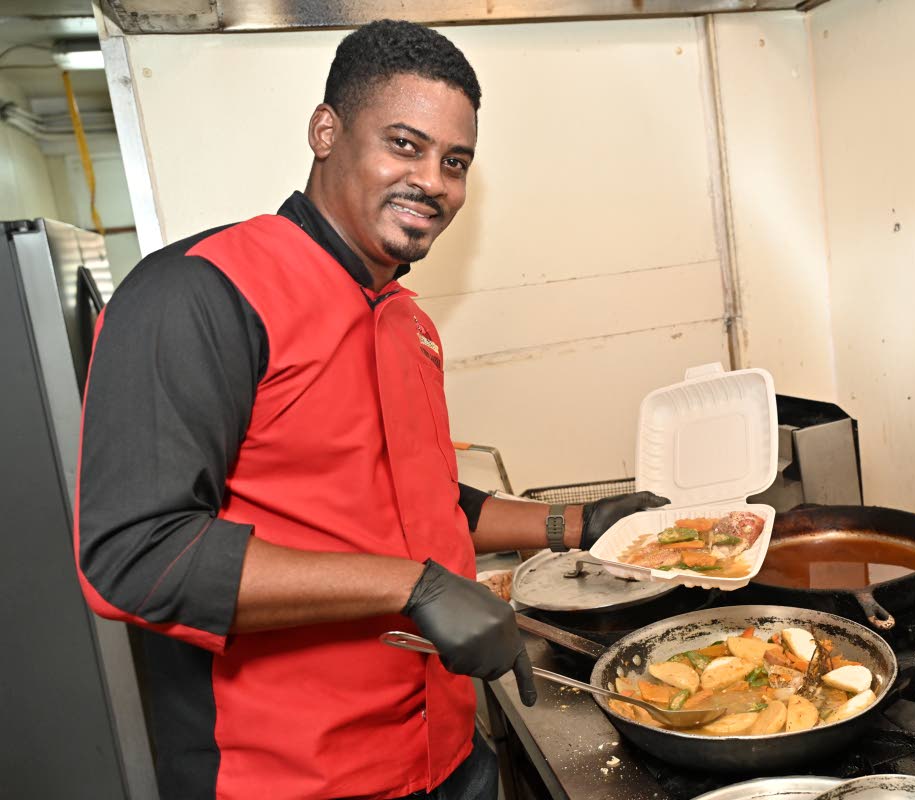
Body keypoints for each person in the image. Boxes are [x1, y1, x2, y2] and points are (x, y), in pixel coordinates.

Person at [74, 20, 667, 800]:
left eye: (455, 163)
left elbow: (418, 505)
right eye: (405, 144)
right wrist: (412, 588)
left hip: (449, 757)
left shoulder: (408, 321)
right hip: (293, 778)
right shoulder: (199, 292)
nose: (434, 181)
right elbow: (138, 556)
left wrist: (581, 526)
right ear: (327, 131)